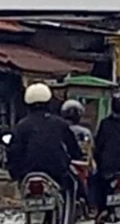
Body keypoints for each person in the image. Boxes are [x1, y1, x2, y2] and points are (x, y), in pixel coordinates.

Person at [6, 82, 85, 215]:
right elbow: (73, 149)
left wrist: (14, 173)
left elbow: (13, 152)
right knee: (72, 187)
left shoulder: (21, 126)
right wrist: (77, 157)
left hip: (27, 172)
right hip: (56, 172)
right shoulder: (60, 124)